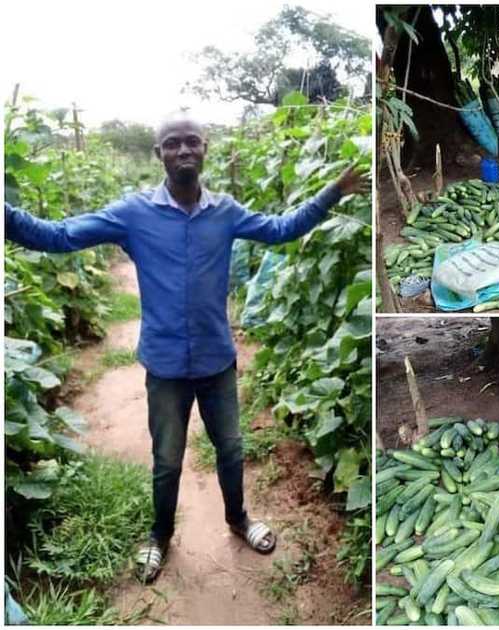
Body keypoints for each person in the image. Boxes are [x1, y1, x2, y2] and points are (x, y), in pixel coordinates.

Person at [3, 112, 370, 583]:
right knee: (167, 460)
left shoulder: (226, 212)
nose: (183, 151)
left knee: (232, 449)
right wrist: (7, 216)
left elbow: (281, 229)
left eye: (191, 142)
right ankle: (159, 537)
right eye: (172, 143)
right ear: (158, 153)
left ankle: (238, 520)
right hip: (166, 364)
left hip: (217, 359)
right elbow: (59, 236)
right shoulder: (133, 214)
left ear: (205, 148)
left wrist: (332, 192)